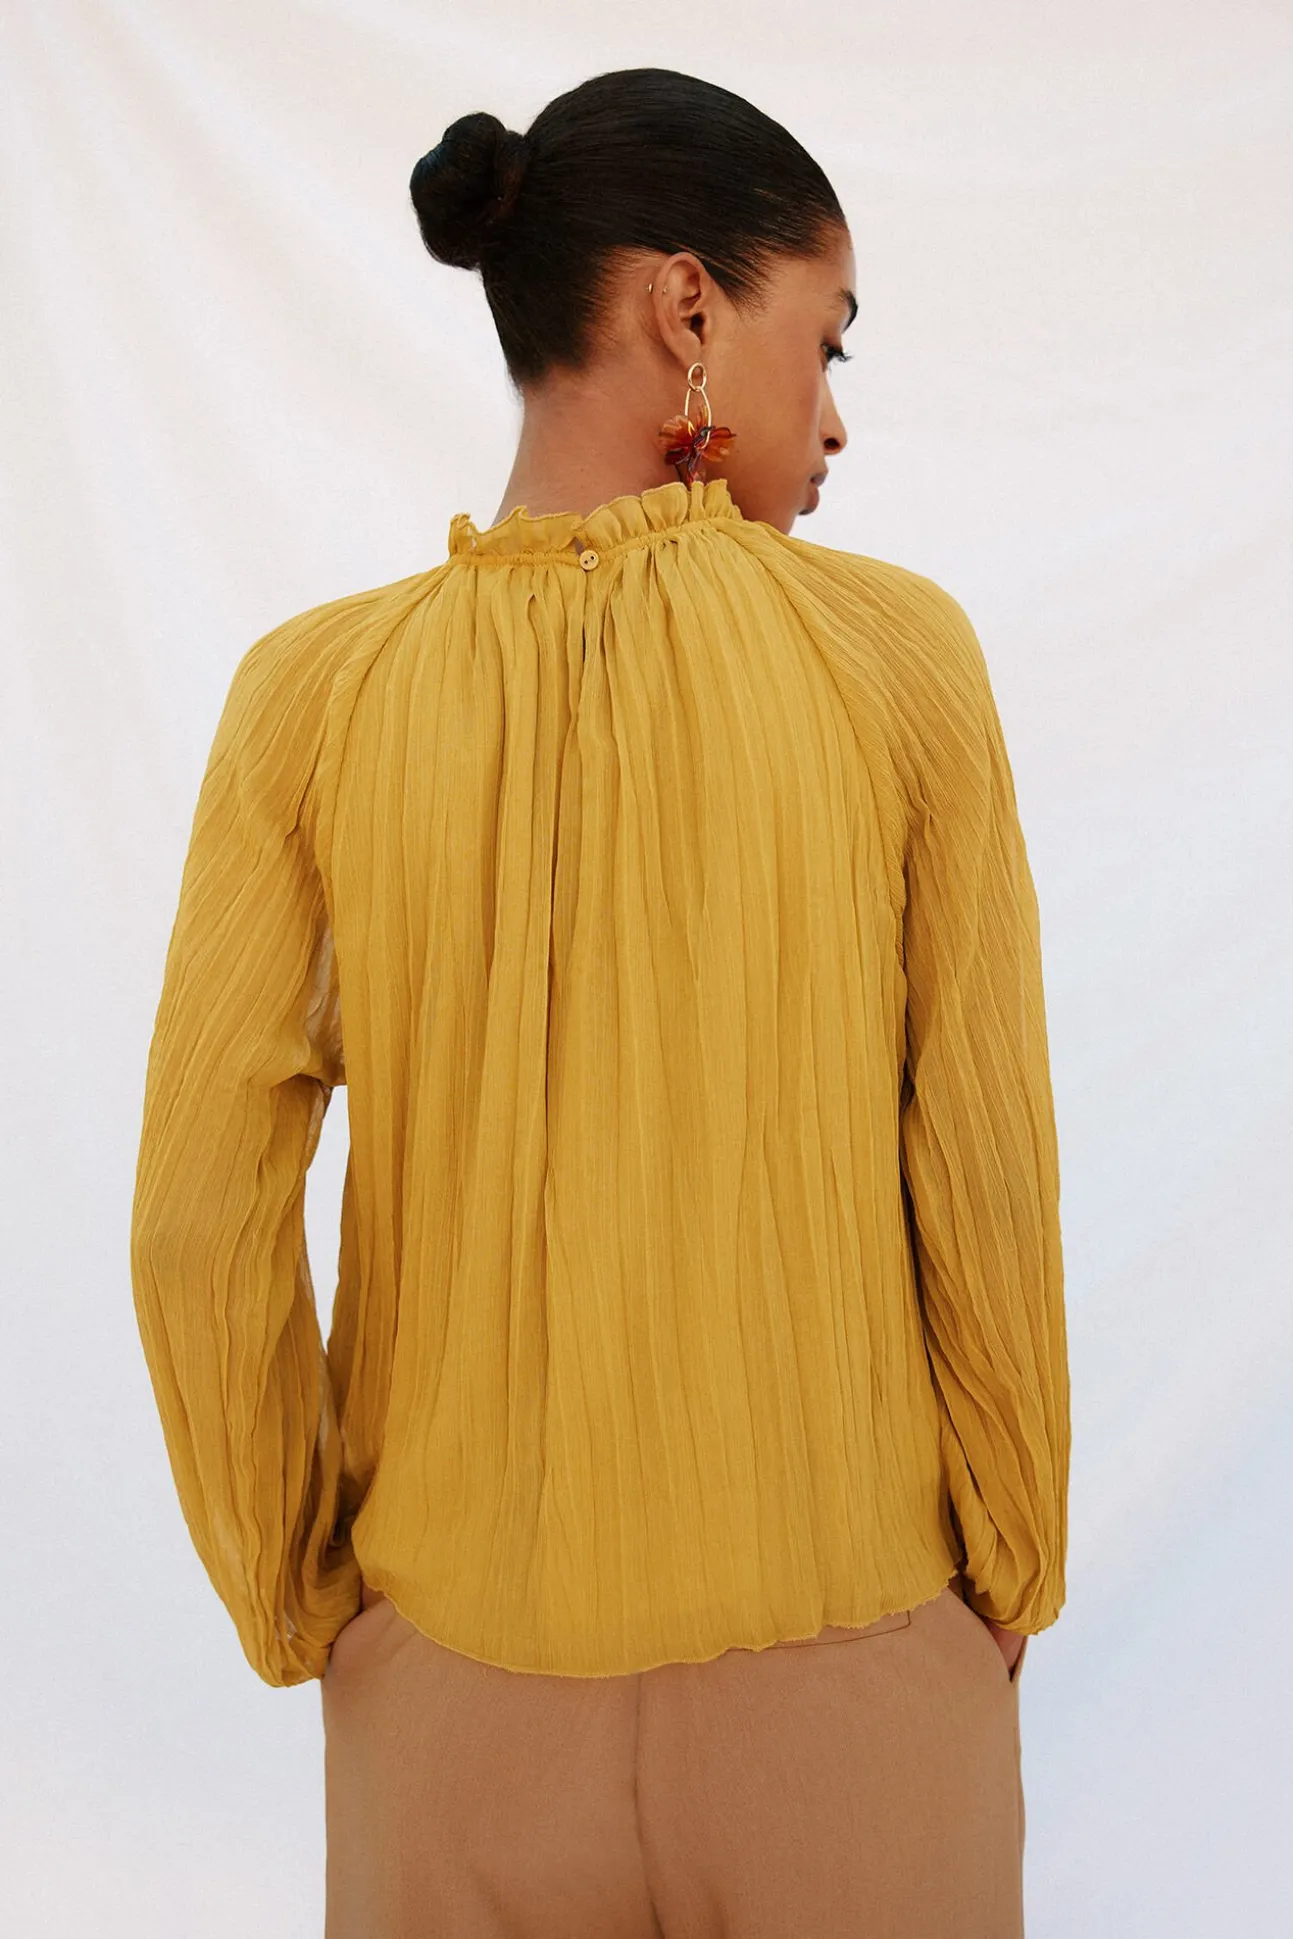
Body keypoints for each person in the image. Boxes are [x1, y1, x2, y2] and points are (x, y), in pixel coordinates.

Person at [130, 66, 1070, 1939]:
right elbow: (980, 1164)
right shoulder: (896, 662)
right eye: (828, 339)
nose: (837, 413)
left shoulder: (309, 703)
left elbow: (198, 1216)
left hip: (449, 1696)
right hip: (851, 1677)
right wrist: (1010, 1567)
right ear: (687, 307)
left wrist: (305, 1595)